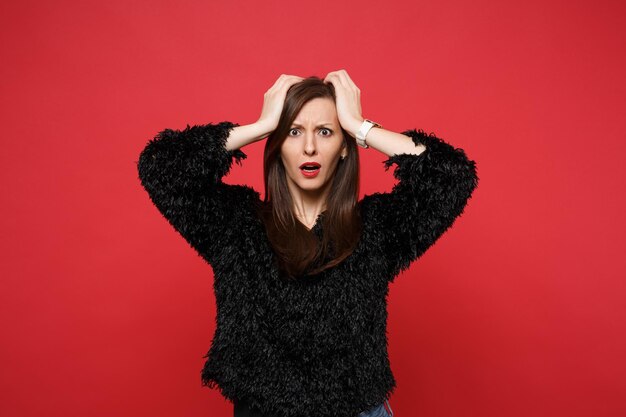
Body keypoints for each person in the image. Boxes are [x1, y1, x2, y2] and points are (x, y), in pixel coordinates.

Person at [136, 70, 479, 417]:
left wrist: (359, 126)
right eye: (294, 132)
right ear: (277, 145)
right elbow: (161, 166)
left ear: (343, 148)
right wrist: (262, 125)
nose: (309, 147)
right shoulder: (236, 226)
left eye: (326, 132)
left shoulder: (375, 228)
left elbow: (452, 176)